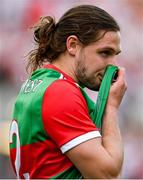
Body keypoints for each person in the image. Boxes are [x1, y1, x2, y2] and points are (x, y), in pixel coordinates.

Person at [9, 4, 127, 179]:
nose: (113, 65)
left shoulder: (39, 83)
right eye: (104, 53)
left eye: (115, 54)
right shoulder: (61, 92)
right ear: (72, 45)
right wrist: (111, 108)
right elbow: (108, 175)